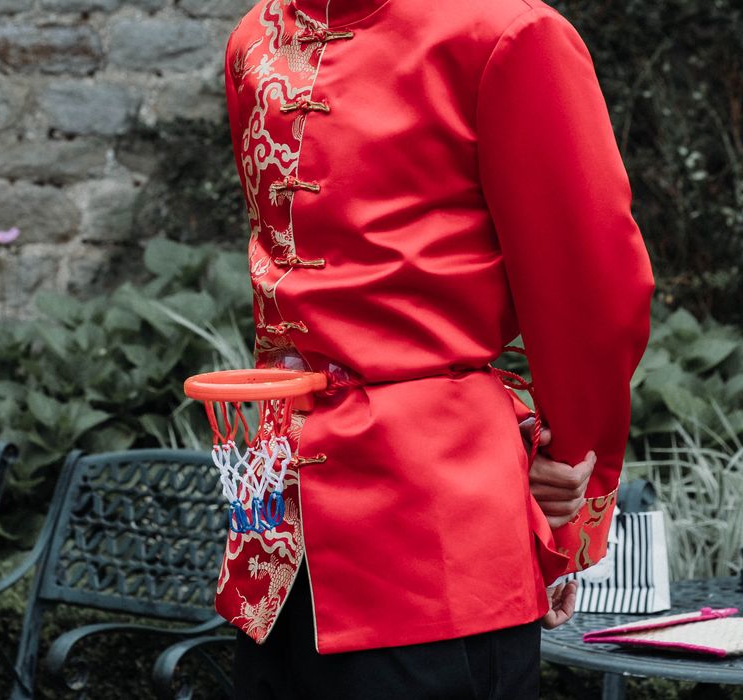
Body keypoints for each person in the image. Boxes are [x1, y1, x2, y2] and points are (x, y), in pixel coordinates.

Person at [219, 0, 655, 697]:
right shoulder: (258, 35)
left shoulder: (503, 34)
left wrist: (570, 473)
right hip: (290, 527)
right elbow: (591, 290)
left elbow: (587, 281)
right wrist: (573, 488)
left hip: (422, 536)